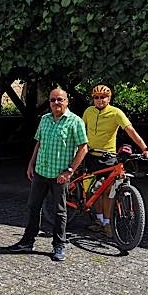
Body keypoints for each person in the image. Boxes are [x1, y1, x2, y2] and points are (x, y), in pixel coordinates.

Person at [10, 87, 88, 262]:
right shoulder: (45, 119)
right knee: (33, 207)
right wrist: (31, 164)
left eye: (60, 99)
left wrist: (69, 171)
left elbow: (83, 148)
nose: (56, 103)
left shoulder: (75, 121)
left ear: (67, 101)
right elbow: (39, 143)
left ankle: (59, 245)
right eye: (52, 100)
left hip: (59, 175)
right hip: (41, 172)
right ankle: (27, 241)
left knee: (60, 211)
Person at [81, 84, 148, 233]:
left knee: (108, 191)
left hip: (108, 157)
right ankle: (99, 220)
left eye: (103, 97)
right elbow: (80, 131)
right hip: (90, 156)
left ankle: (107, 224)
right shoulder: (88, 111)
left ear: (109, 98)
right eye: (97, 97)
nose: (100, 100)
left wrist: (145, 148)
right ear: (93, 99)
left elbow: (130, 130)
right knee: (94, 192)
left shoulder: (116, 113)